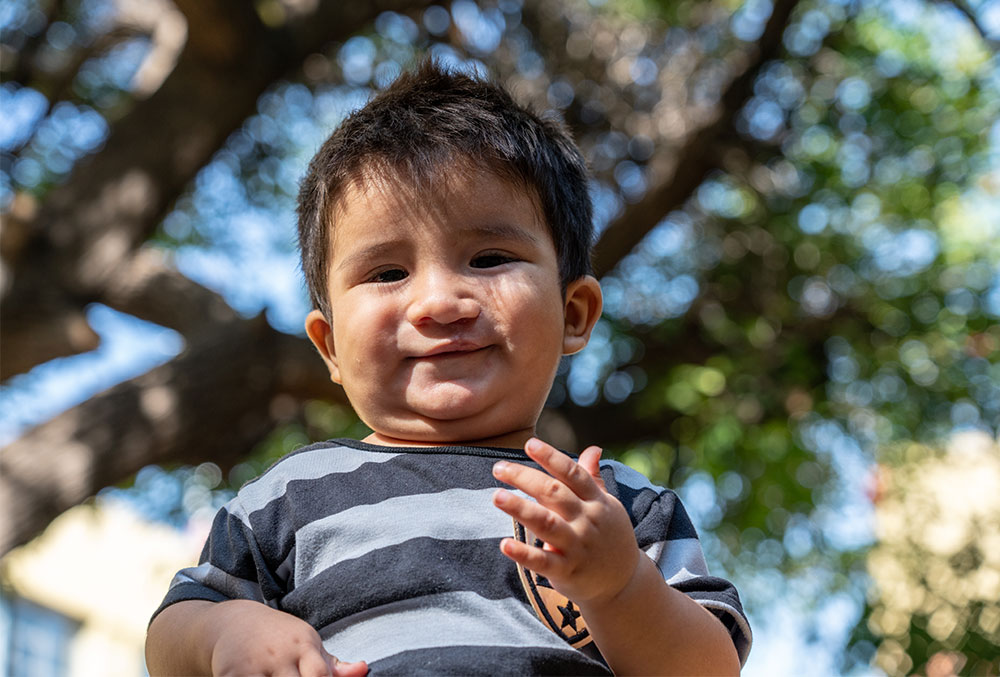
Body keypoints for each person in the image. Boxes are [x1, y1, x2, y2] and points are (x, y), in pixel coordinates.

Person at [145, 60, 751, 676]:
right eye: (387, 273)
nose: (438, 303)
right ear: (328, 347)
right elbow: (174, 631)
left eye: (488, 258)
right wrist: (229, 629)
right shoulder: (288, 497)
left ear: (574, 313)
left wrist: (620, 586)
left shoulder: (616, 506)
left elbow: (709, 668)